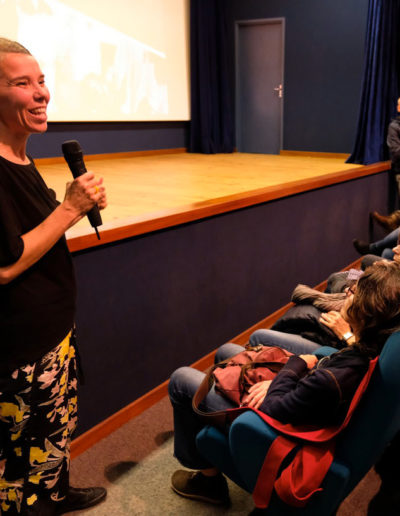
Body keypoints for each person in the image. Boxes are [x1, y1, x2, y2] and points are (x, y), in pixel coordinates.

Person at [168, 261, 400, 507]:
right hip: (302, 401)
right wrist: (298, 371)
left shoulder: (333, 379)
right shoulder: (371, 351)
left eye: (353, 291)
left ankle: (209, 483)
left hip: (273, 426)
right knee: (227, 353)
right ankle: (215, 463)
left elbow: (273, 408)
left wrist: (294, 367)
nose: (346, 292)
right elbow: (320, 374)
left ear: (366, 310)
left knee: (181, 380)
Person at [0, 38, 107, 514]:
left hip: (52, 333)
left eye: (41, 80)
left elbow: (36, 235)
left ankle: (53, 494)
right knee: (15, 459)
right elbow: (5, 265)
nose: (41, 93)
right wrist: (69, 209)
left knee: (53, 434)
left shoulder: (21, 158)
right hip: (19, 349)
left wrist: (73, 210)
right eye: (23, 83)